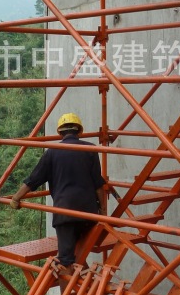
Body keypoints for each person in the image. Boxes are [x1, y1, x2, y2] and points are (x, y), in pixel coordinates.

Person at [10, 112, 107, 272]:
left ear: (60, 133)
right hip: (89, 214)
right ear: (79, 131)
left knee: (66, 260)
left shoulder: (52, 152)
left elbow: (34, 180)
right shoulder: (91, 150)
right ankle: (82, 283)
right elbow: (98, 183)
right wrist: (102, 211)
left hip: (65, 214)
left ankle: (69, 294)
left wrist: (16, 198)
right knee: (79, 254)